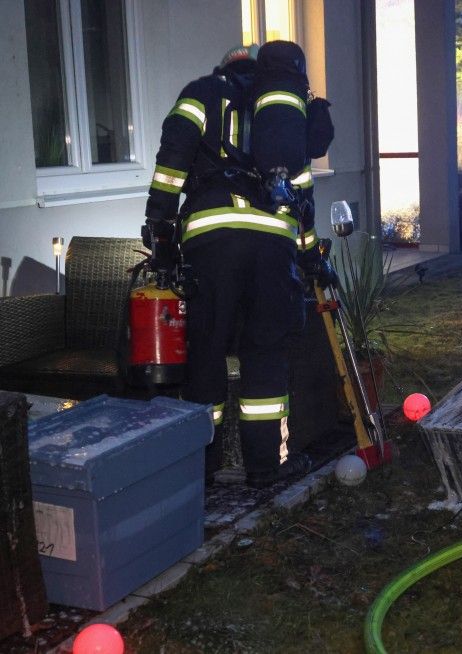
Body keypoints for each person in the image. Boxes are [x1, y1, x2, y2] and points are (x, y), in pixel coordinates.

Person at [143, 44, 328, 489]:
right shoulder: (284, 115)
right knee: (265, 352)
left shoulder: (202, 92)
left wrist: (160, 224)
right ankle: (266, 467)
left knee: (206, 351)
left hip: (213, 237)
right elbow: (301, 196)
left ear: (222, 67)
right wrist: (308, 256)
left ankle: (202, 470)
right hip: (273, 243)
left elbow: (173, 159)